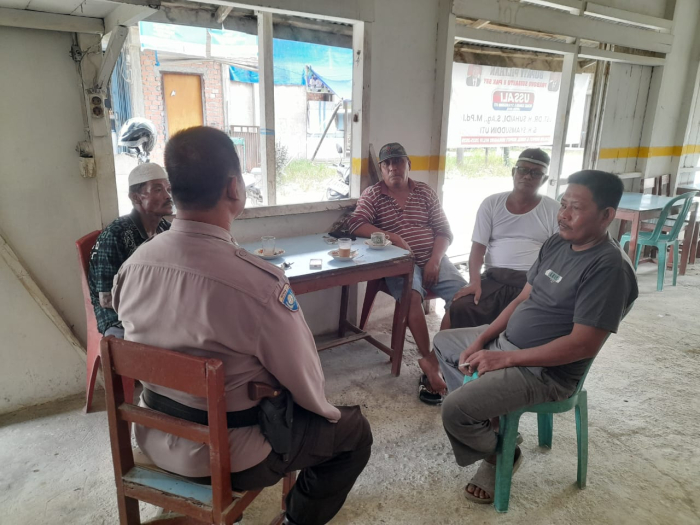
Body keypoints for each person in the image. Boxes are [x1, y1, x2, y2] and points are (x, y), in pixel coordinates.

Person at [111, 126, 372, 525]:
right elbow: (307, 384)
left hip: (153, 437)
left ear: (173, 190)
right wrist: (326, 413)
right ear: (234, 188)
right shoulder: (259, 286)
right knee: (354, 433)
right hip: (234, 455)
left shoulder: (133, 267)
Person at [434, 170, 638, 505]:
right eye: (563, 204)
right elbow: (522, 298)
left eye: (576, 208)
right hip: (509, 347)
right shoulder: (558, 242)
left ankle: (500, 453)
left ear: (606, 216)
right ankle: (492, 421)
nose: (564, 214)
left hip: (545, 372)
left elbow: (583, 344)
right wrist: (482, 340)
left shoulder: (608, 269)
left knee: (455, 411)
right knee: (444, 343)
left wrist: (506, 358)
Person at [345, 142, 467, 405]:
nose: (393, 168)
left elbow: (444, 231)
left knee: (464, 297)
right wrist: (394, 237)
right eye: (387, 164)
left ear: (408, 165)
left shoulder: (424, 191)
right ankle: (429, 360)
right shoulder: (373, 194)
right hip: (400, 261)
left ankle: (434, 359)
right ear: (381, 169)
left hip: (434, 256)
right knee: (412, 297)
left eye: (398, 162)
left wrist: (435, 260)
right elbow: (354, 223)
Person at [443, 148, 559, 330]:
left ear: (544, 179)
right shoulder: (492, 203)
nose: (527, 176)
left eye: (536, 173)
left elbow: (559, 255)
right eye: (523, 170)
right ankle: (443, 349)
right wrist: (474, 282)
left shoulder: (554, 209)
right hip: (494, 278)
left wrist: (549, 285)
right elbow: (478, 248)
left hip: (532, 282)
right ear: (513, 172)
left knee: (533, 321)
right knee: (460, 306)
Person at [88, 163, 172, 337]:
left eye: (168, 189)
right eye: (158, 190)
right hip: (118, 318)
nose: (167, 196)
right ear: (135, 198)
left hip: (156, 309)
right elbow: (106, 299)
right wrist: (160, 304)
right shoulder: (115, 235)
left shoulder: (165, 229)